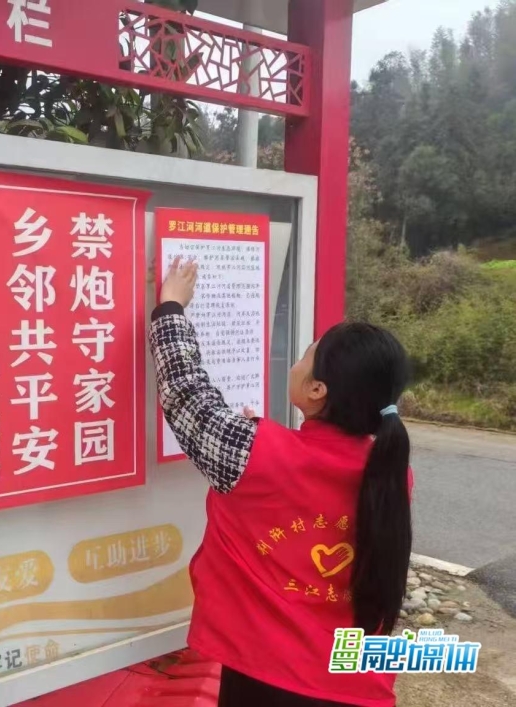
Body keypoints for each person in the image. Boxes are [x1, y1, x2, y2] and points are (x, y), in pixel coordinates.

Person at [151, 258, 413, 707]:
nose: (296, 363)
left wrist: (170, 307)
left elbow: (186, 394)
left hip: (271, 681)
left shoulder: (260, 455)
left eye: (306, 356)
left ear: (317, 390)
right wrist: (258, 442)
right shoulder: (390, 469)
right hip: (356, 684)